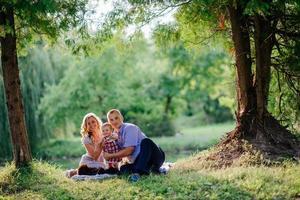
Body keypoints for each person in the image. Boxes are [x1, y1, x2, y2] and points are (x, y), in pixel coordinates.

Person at [104, 109, 165, 181]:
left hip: (154, 155)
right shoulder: (115, 135)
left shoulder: (129, 128)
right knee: (123, 168)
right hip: (140, 161)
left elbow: (129, 150)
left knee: (146, 141)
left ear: (122, 118)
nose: (114, 121)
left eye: (116, 118)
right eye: (111, 120)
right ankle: (151, 170)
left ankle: (137, 173)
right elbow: (120, 154)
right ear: (109, 122)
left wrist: (110, 156)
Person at [66, 113, 105, 177]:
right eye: (88, 123)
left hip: (103, 159)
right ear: (86, 126)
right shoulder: (86, 139)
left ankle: (75, 171)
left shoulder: (104, 133)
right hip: (90, 160)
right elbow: (95, 157)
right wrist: (100, 144)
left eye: (93, 122)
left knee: (105, 167)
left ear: (97, 122)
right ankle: (73, 172)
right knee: (98, 169)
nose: (91, 125)